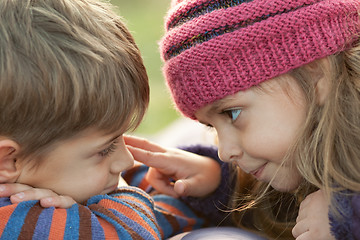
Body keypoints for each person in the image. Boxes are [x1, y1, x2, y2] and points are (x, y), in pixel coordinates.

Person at [124, 0, 360, 239]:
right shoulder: (300, 156)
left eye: (231, 113)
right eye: (210, 125)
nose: (225, 152)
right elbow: (284, 210)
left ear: (316, 75)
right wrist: (219, 184)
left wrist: (347, 217)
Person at [0, 0, 208, 239]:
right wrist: (127, 194)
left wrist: (196, 183)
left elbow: (161, 200)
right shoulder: (16, 219)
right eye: (105, 149)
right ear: (10, 161)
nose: (126, 160)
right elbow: (133, 233)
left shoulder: (62, 173)